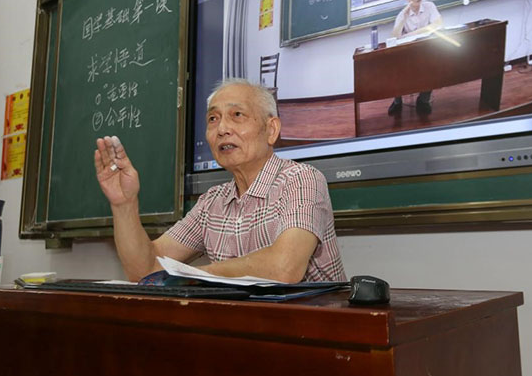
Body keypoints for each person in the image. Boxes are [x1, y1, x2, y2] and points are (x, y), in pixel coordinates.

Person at [94, 78, 346, 283]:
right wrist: (123, 204)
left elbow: (284, 268)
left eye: (237, 115)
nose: (222, 129)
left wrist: (190, 276)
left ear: (271, 130)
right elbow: (145, 269)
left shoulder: (301, 179)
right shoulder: (212, 202)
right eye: (213, 119)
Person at [388, 0, 444, 116]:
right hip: (409, 55)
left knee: (433, 64)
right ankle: (397, 101)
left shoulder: (429, 6)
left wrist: (412, 34)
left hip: (428, 50)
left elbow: (438, 24)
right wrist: (403, 19)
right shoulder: (403, 14)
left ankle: (423, 100)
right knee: (395, 67)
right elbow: (394, 38)